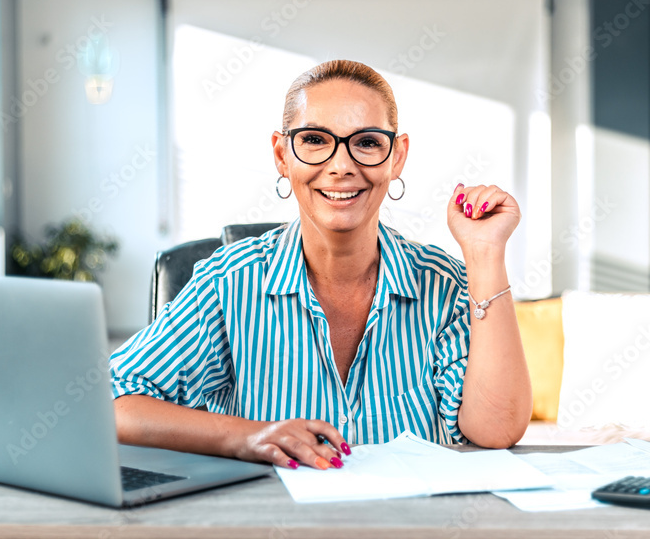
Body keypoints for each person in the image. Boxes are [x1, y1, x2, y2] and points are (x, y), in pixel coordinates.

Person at [110, 59, 531, 471]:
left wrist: (484, 254)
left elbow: (495, 431)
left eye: (367, 142)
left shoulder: (444, 284)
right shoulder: (227, 283)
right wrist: (246, 436)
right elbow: (113, 402)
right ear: (282, 154)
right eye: (314, 139)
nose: (342, 165)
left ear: (396, 157)